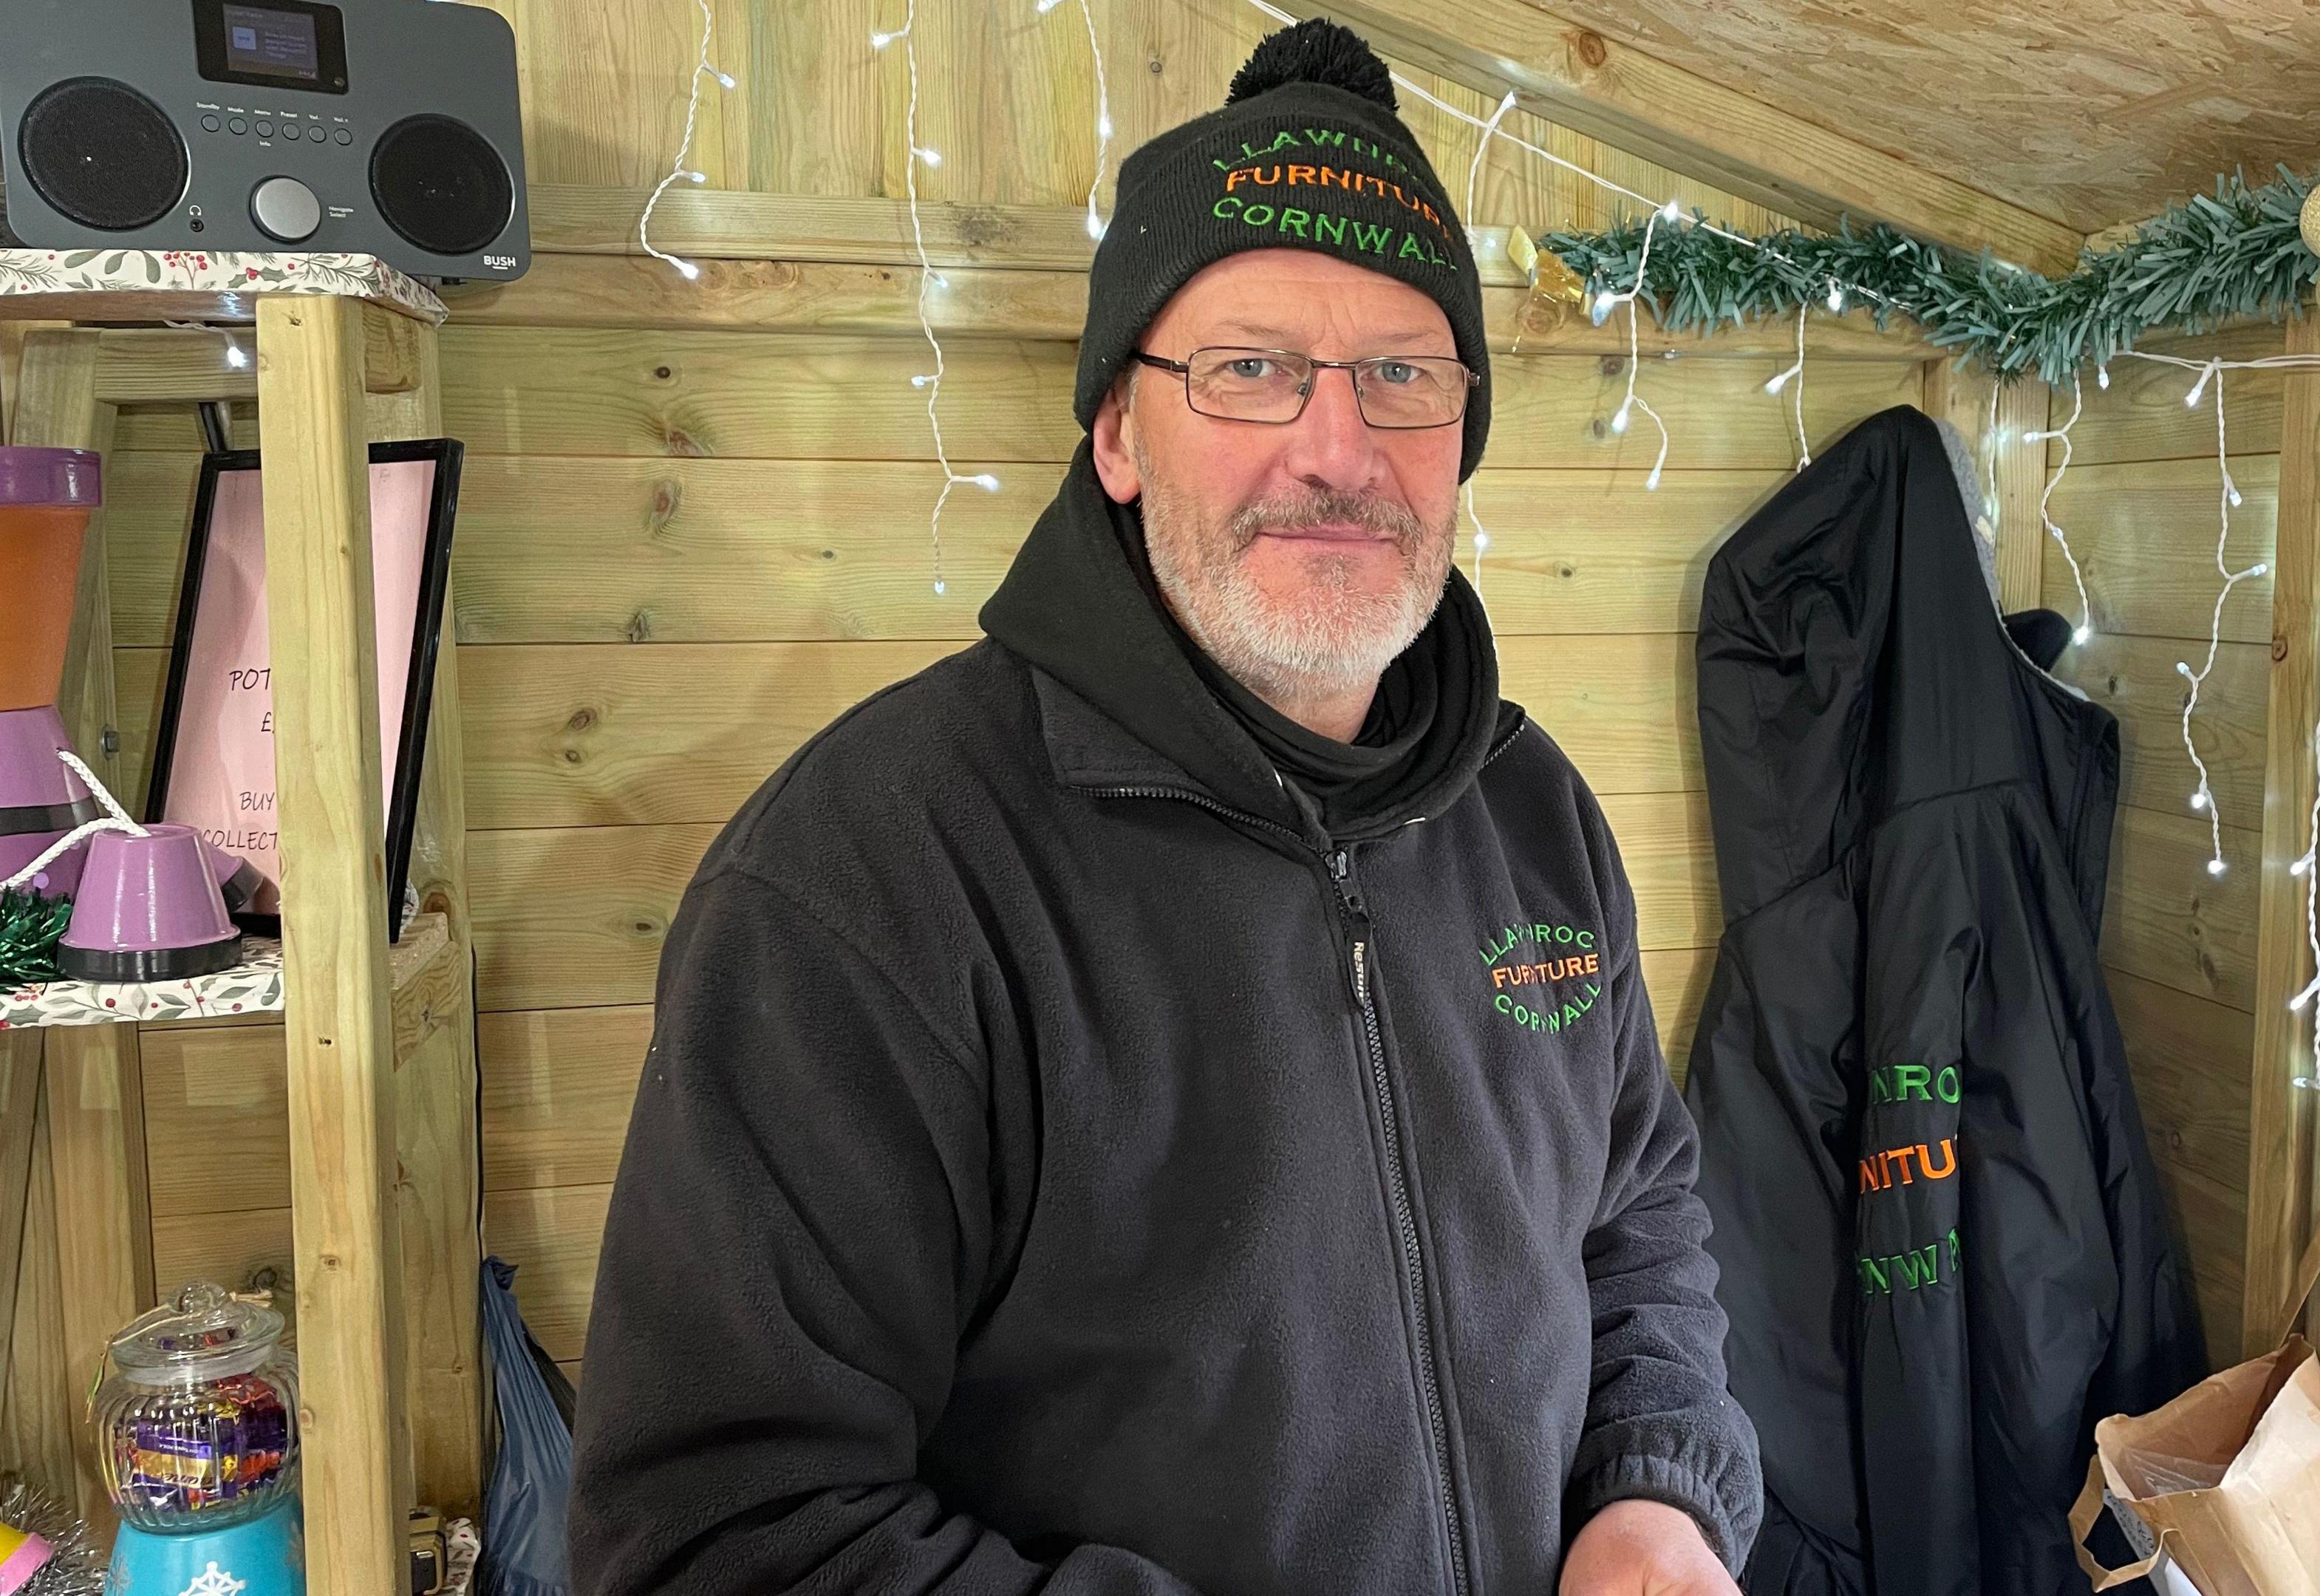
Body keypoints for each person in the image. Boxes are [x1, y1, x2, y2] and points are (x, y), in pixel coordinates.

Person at [567, 18, 1761, 1595]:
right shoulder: (869, 876)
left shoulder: (1531, 814)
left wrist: (1656, 1498)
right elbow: (720, 1534)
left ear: (1461, 435)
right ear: (1120, 433)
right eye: (1251, 370)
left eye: (1402, 374)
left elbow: (1638, 1224)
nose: (1336, 449)